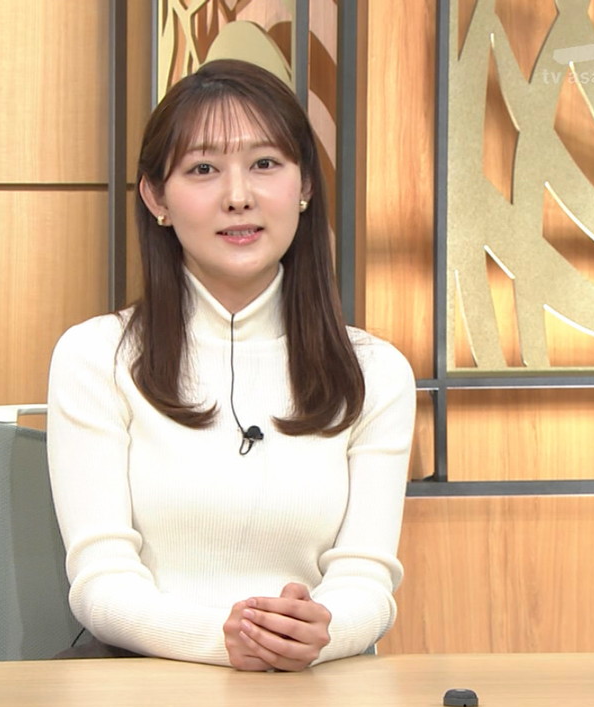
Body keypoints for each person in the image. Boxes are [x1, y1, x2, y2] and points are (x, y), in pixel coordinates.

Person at [46, 59, 416, 671]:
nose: (238, 196)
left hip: (309, 691)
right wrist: (226, 640)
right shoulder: (96, 357)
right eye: (203, 169)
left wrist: (320, 632)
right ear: (156, 198)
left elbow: (366, 581)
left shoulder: (375, 373)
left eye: (265, 163)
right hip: (140, 690)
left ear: (304, 185)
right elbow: (101, 583)